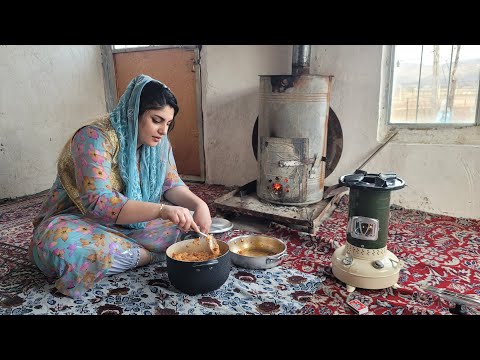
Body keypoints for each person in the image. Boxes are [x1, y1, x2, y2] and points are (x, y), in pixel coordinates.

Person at [28, 74, 212, 298]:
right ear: (134, 112)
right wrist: (162, 210)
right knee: (61, 245)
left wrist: (199, 204)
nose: (163, 131)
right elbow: (99, 203)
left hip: (132, 223)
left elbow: (171, 184)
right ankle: (148, 255)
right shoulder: (94, 137)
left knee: (188, 226)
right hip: (81, 221)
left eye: (168, 123)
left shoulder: (159, 143)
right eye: (156, 120)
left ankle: (128, 254)